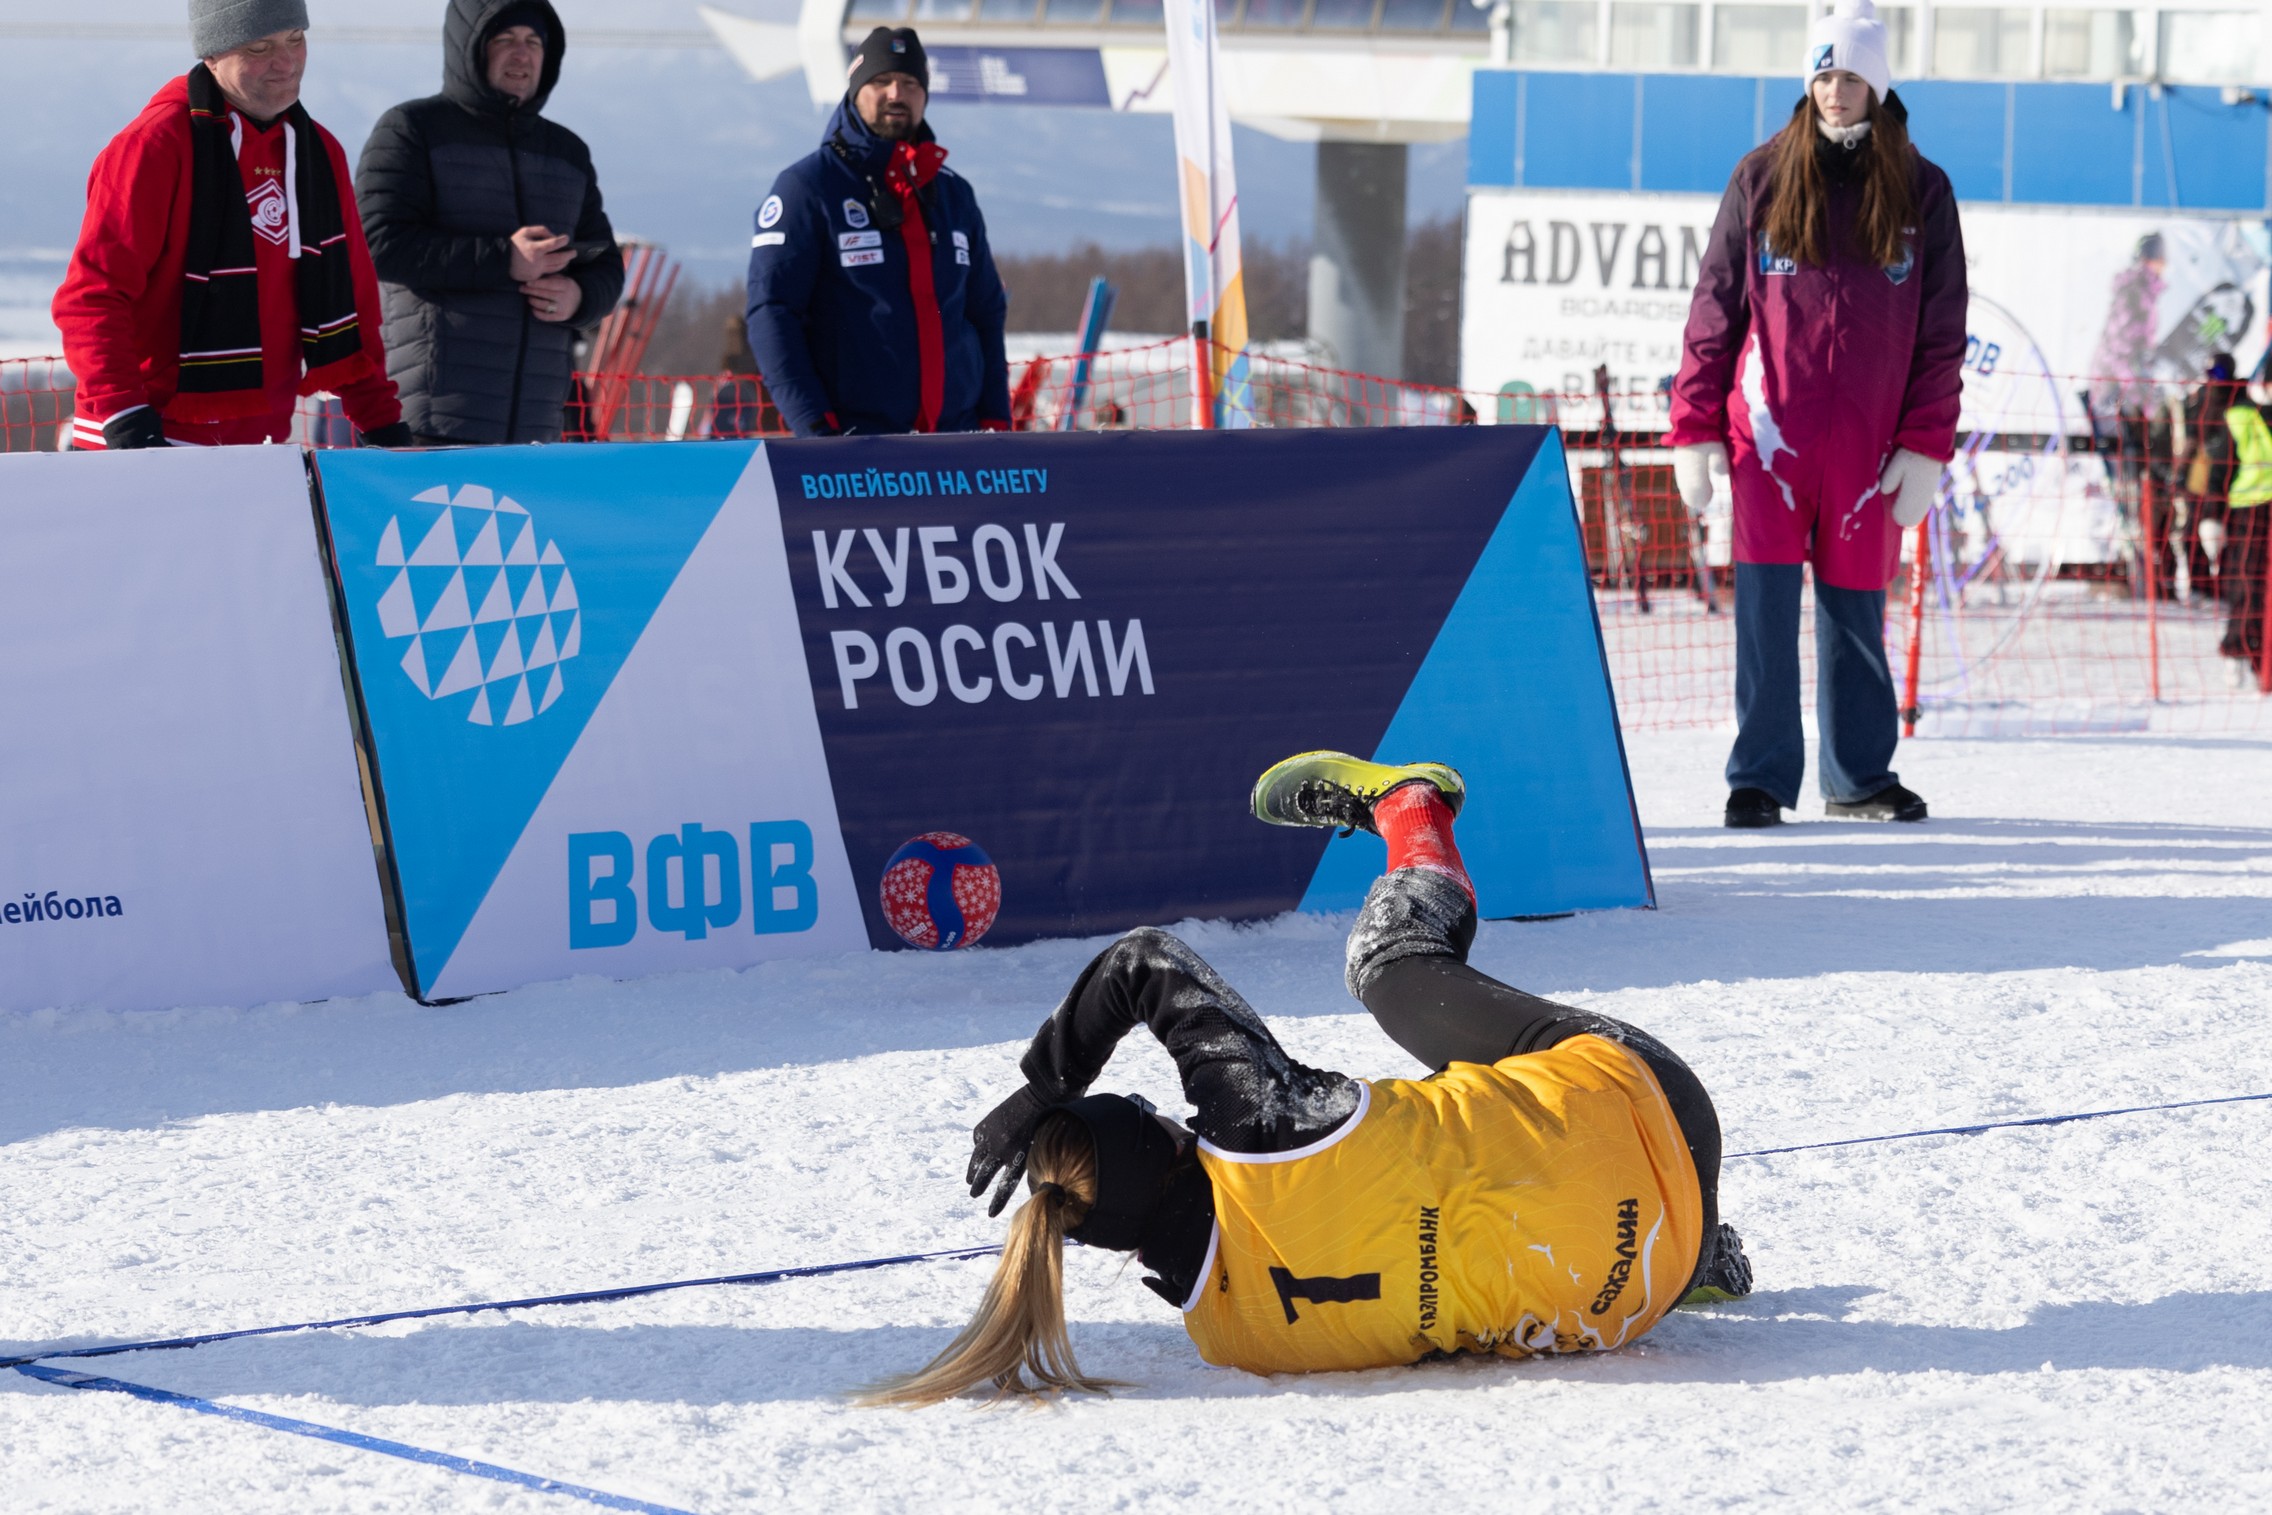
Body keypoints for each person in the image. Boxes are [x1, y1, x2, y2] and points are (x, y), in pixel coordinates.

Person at [866, 753, 1751, 1403]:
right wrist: (1043, 1086)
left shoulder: (1229, 1338)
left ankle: (1704, 1241)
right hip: (1653, 1103)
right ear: (1163, 1134)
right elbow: (1145, 961)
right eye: (1144, 1107)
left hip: (1646, 1280)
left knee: (1448, 1222)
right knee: (1391, 969)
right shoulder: (1255, 1125)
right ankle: (1412, 807)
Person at [1667, 0, 1965, 828]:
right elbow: (1714, 309)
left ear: (1879, 85)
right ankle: (1758, 777)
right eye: (1824, 75)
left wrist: (1926, 444)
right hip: (1769, 441)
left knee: (1855, 615)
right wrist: (1693, 428)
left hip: (1870, 451)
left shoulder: (1922, 190)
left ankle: (1859, 776)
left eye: (1852, 77)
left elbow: (1942, 330)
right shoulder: (1761, 177)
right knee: (1765, 615)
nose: (1836, 91)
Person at [52, 1, 407, 451]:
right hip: (142, 439)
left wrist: (380, 422)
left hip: (257, 449)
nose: (286, 62)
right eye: (260, 47)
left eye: (295, 39)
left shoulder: (319, 152)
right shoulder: (154, 146)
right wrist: (126, 419)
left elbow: (354, 306)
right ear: (212, 55)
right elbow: (91, 298)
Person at [355, 0, 624, 445]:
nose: (522, 54)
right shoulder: (413, 128)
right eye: (504, 39)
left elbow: (605, 262)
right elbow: (376, 242)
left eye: (534, 42)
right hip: (429, 423)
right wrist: (505, 259)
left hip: (536, 428)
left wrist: (578, 296)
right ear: (469, 48)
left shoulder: (567, 152)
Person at [745, 27, 1011, 438]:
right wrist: (816, 428)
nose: (895, 94)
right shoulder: (807, 187)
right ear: (855, 91)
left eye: (909, 83)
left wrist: (996, 420)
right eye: (880, 81)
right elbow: (772, 314)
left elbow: (986, 315)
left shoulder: (954, 193)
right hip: (856, 449)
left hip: (957, 444)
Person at [2216, 378, 2271, 688]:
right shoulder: (2240, 418)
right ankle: (2239, 652)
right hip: (2251, 511)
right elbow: (2219, 473)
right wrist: (2212, 517)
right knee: (2248, 584)